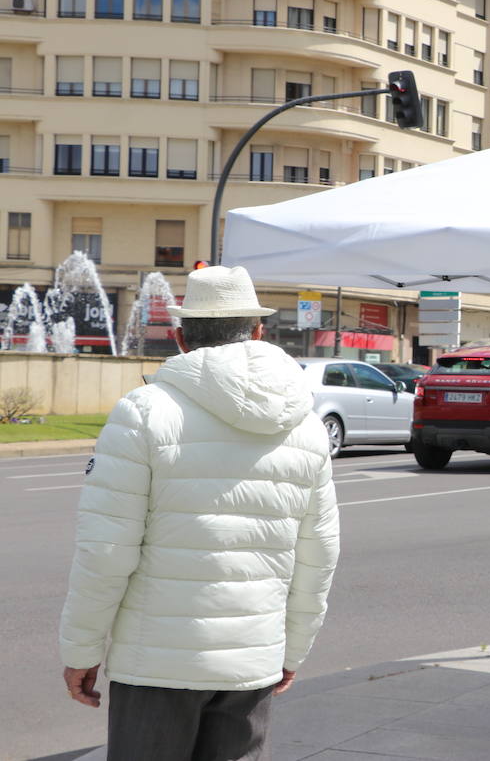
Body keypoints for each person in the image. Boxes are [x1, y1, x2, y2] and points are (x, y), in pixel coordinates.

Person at [58, 265, 339, 761]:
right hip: (251, 663)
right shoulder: (306, 425)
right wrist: (292, 650)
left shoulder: (143, 412)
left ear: (181, 338)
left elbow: (105, 551)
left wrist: (81, 651)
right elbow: (319, 556)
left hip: (155, 666)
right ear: (257, 332)